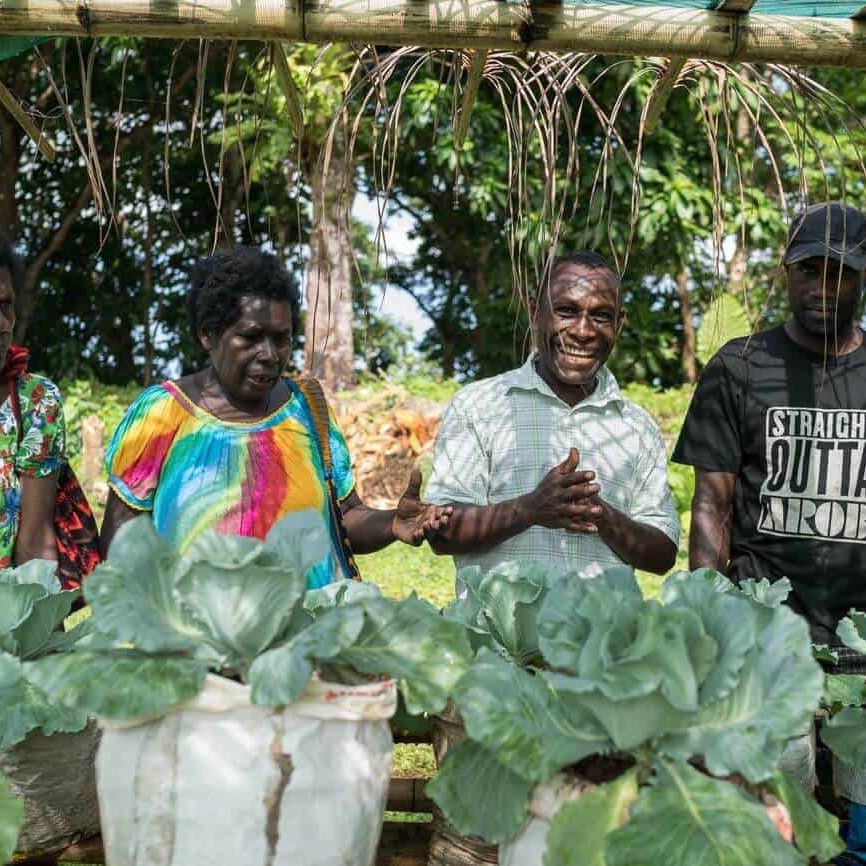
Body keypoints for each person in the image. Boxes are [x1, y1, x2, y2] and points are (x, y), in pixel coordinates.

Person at [672, 201, 866, 866]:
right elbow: (711, 506)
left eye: (838, 272)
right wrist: (707, 619)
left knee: (861, 832)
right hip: (767, 640)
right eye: (806, 270)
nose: (820, 286)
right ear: (785, 275)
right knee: (776, 827)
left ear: (861, 279)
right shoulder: (741, 367)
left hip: (862, 643)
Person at [101, 245, 450, 586]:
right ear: (207, 334)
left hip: (312, 637)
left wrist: (393, 523)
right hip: (197, 640)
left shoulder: (307, 410)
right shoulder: (162, 414)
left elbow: (344, 519)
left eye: (281, 338)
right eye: (250, 337)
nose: (269, 354)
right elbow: (120, 551)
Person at [424, 250, 678, 579]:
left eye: (601, 316)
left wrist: (602, 515)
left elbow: (663, 556)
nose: (583, 331)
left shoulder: (638, 426)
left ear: (619, 322)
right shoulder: (479, 405)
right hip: (500, 631)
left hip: (604, 632)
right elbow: (441, 533)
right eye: (567, 311)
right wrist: (529, 509)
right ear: (535, 313)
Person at [0, 233, 65, 567]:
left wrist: (41, 617)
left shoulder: (35, 401)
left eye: (4, 306)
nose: (1, 324)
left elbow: (34, 543)